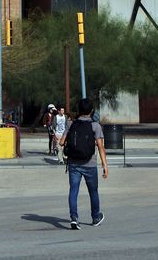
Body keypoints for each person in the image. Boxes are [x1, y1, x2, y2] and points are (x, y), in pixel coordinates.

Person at [59, 98, 108, 230]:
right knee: (93, 191)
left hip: (74, 163)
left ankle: (74, 218)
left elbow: (61, 142)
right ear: (91, 110)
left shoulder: (71, 124)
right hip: (90, 164)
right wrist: (105, 166)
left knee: (73, 190)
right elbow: (100, 147)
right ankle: (95, 217)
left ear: (79, 110)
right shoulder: (95, 126)